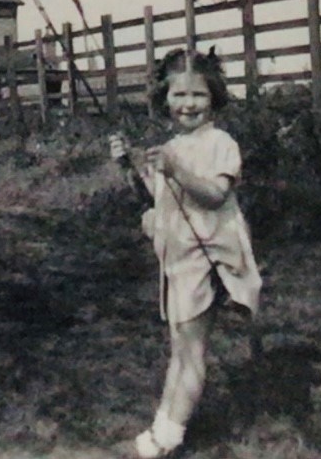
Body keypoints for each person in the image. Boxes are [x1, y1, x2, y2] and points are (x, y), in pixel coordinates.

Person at [109, 47, 263, 458]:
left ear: (213, 96)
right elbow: (155, 200)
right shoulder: (171, 145)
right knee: (179, 351)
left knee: (192, 352)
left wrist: (176, 169)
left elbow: (214, 194)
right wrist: (130, 165)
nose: (188, 104)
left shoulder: (220, 143)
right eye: (179, 95)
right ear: (165, 99)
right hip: (178, 262)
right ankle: (160, 432)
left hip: (209, 262)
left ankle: (166, 442)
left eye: (197, 94)